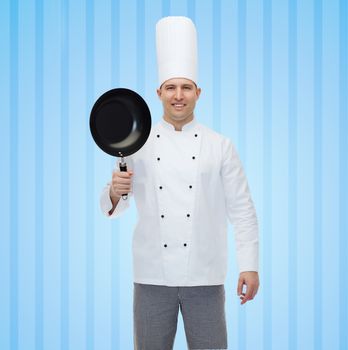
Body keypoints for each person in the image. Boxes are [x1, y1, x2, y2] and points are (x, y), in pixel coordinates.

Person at [100, 16, 259, 350]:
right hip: (151, 277)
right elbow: (115, 205)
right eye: (170, 87)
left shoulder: (220, 145)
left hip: (206, 276)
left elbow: (242, 210)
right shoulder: (136, 144)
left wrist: (250, 266)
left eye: (186, 87)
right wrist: (114, 192)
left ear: (198, 92)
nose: (178, 95)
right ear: (158, 92)